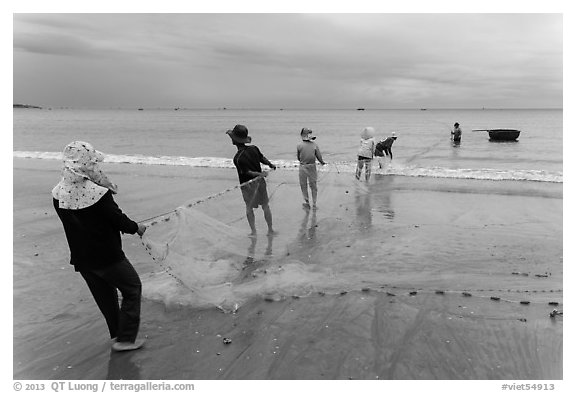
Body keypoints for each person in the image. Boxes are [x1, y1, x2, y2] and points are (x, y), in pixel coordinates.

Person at [52, 141, 147, 352]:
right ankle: (125, 339)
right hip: (108, 256)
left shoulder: (58, 194)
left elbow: (81, 221)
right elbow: (117, 220)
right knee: (132, 288)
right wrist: (136, 227)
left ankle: (117, 336)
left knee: (107, 298)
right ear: (87, 163)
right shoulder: (98, 193)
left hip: (82, 259)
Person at [226, 124, 277, 237]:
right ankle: (270, 230)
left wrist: (263, 171)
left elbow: (247, 172)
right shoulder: (254, 148)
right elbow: (262, 158)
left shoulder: (237, 158)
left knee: (249, 207)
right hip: (260, 183)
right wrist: (269, 164)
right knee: (265, 206)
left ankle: (253, 231)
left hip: (247, 186)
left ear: (234, 141)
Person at [297, 127, 326, 209]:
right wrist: (322, 162)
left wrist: (302, 161)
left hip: (303, 166)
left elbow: (298, 157)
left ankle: (307, 202)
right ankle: (314, 203)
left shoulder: (299, 145)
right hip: (312, 166)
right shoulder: (314, 145)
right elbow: (319, 156)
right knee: (313, 185)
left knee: (303, 185)